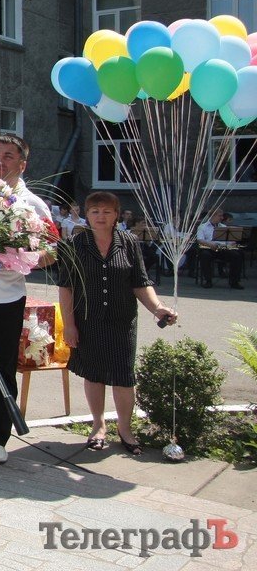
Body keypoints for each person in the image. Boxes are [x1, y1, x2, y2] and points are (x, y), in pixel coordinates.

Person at [59, 191, 177, 455]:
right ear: (87, 216)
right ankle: (98, 426)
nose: (101, 216)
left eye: (107, 212)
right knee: (94, 374)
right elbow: (66, 288)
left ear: (116, 215)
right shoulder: (75, 244)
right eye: (95, 212)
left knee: (124, 377)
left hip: (122, 321)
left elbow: (140, 282)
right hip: (87, 321)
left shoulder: (129, 242)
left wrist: (158, 308)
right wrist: (69, 325)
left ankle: (125, 429)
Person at [0, 134, 53, 465]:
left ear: (22, 164)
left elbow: (51, 252)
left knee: (2, 369)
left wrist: (18, 255)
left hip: (6, 296)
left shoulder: (33, 205)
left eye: (8, 156)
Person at [197, 209, 243, 289]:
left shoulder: (223, 227)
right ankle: (208, 281)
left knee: (236, 255)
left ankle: (234, 282)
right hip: (209, 249)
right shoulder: (202, 227)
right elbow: (199, 240)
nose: (222, 218)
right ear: (212, 216)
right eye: (220, 216)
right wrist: (210, 244)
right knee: (205, 255)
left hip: (222, 250)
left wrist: (232, 242)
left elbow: (230, 240)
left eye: (222, 216)